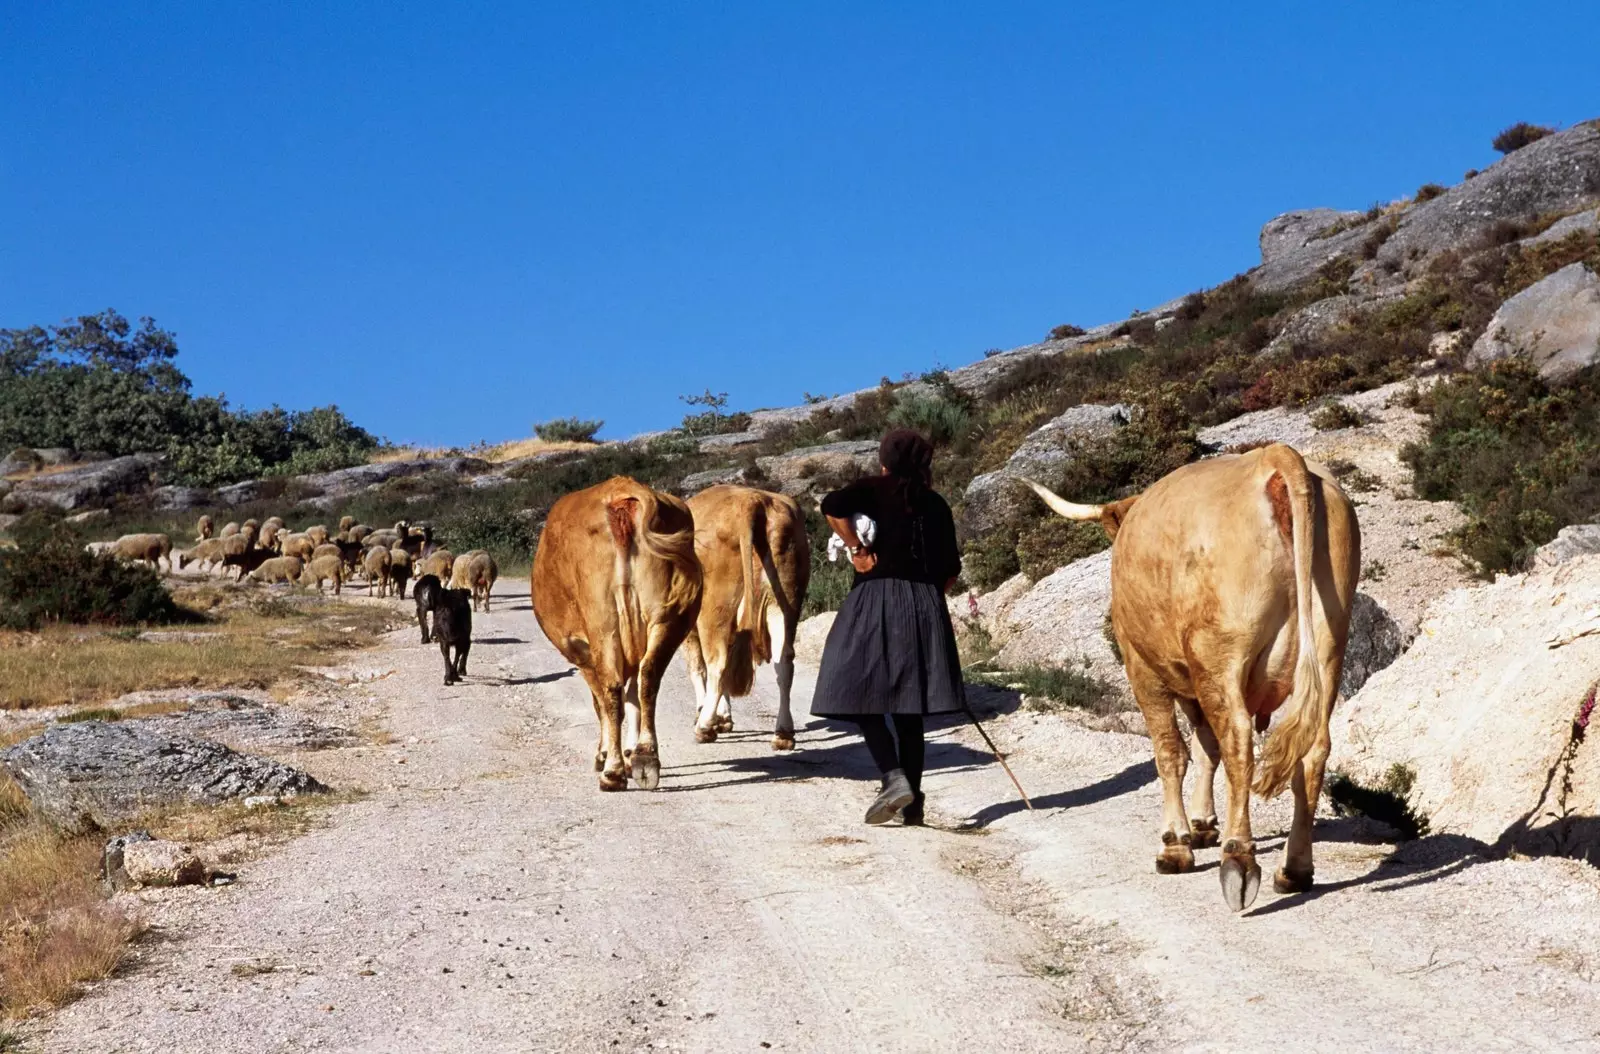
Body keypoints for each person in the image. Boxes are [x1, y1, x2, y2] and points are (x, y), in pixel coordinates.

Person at [811, 428, 965, 825]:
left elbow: (830, 506)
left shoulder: (873, 488)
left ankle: (893, 778)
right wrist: (926, 598)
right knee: (909, 708)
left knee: (855, 689)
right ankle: (913, 805)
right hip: (925, 603)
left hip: (876, 598)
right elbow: (951, 570)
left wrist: (857, 550)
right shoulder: (935, 503)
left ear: (885, 460)